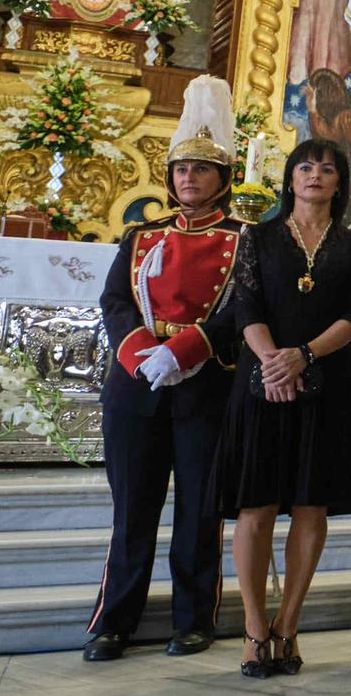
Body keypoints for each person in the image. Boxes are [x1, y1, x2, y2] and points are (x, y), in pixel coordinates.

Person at [84, 77, 244, 662]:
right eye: (180, 170)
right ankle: (113, 621)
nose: (188, 179)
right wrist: (139, 356)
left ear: (222, 178)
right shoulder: (140, 236)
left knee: (199, 512)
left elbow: (243, 312)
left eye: (201, 170)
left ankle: (192, 619)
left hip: (204, 386)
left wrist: (187, 350)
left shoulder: (243, 240)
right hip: (135, 388)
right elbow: (115, 304)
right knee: (132, 510)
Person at [216, 139, 351, 678]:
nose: (314, 176)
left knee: (311, 506)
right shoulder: (256, 238)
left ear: (339, 184)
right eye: (305, 166)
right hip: (263, 382)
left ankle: (289, 623)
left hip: (325, 381)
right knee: (256, 506)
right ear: (289, 178)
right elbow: (245, 306)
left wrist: (304, 357)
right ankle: (255, 628)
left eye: (327, 169)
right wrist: (273, 363)